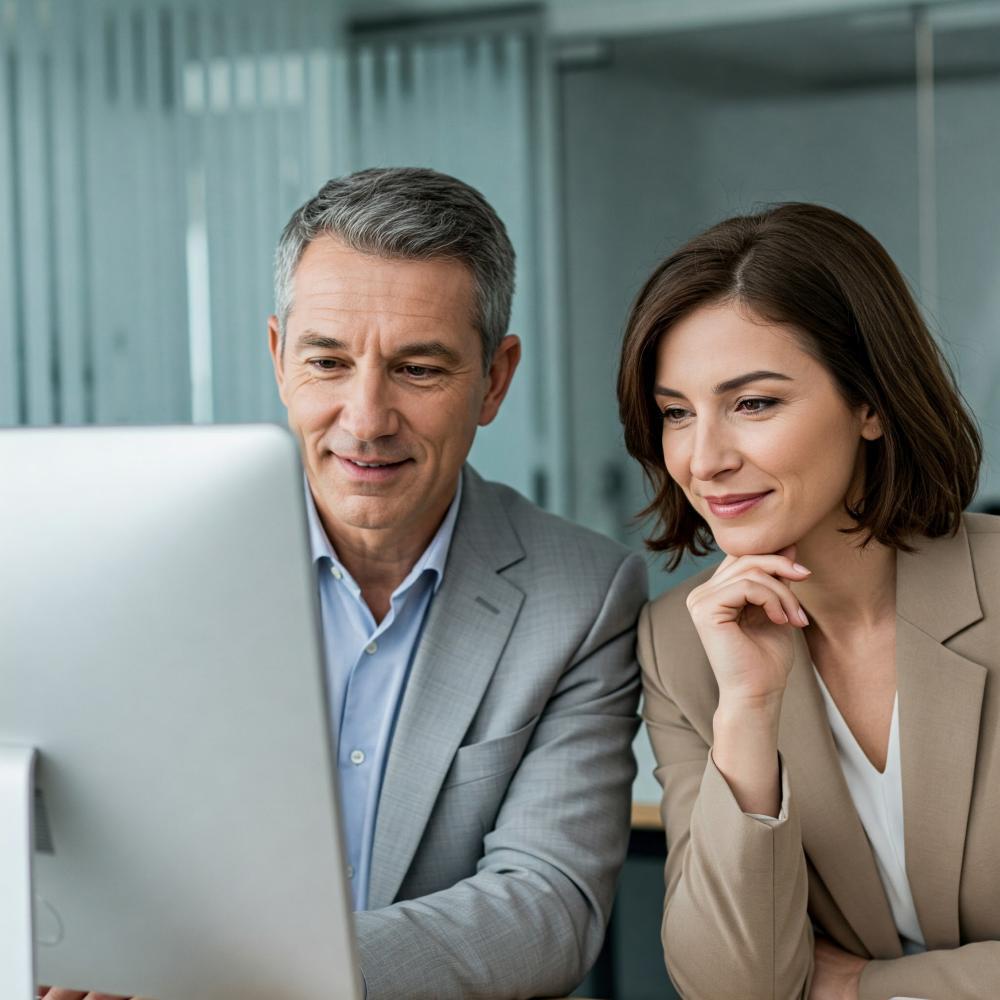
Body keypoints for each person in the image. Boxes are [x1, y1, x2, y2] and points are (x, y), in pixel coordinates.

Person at [42, 168, 646, 1000]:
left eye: (419, 370)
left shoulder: (582, 594)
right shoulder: (134, 567)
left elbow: (548, 907)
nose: (365, 418)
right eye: (327, 360)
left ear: (495, 381)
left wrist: (227, 977)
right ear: (279, 358)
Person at [617, 202, 999, 1000]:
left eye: (754, 404)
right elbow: (733, 988)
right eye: (676, 414)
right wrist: (748, 711)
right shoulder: (683, 645)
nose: (705, 458)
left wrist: (866, 989)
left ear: (871, 403)